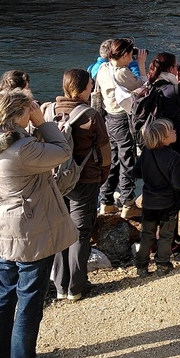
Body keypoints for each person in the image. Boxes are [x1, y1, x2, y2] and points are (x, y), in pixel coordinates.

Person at [0, 88, 77, 358]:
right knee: (29, 298)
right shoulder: (23, 149)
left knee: (4, 292)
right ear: (18, 115)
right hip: (29, 231)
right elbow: (62, 151)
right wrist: (42, 123)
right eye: (29, 109)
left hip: (0, 226)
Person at [43, 69, 111, 301]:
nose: (92, 87)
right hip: (85, 179)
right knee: (80, 233)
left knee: (59, 230)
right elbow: (105, 150)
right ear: (83, 90)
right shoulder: (91, 115)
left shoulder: (47, 111)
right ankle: (77, 287)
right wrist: (102, 176)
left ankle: (60, 285)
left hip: (54, 180)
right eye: (90, 84)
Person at [95, 38, 147, 215]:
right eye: (131, 54)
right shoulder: (122, 73)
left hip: (109, 119)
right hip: (123, 120)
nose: (132, 57)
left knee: (113, 160)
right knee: (127, 160)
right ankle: (128, 204)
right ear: (124, 55)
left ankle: (106, 202)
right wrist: (141, 64)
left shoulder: (103, 68)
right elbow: (143, 88)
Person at [133, 119, 180, 277]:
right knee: (166, 235)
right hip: (167, 203)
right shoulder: (173, 156)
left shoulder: (146, 153)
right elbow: (178, 184)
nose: (175, 131)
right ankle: (162, 264)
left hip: (149, 202)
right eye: (171, 130)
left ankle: (141, 265)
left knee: (147, 234)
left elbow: (135, 172)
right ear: (163, 137)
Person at [144, 52, 180, 171]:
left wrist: (178, 82)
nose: (178, 69)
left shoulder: (150, 85)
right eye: (176, 66)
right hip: (175, 139)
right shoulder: (174, 90)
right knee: (178, 173)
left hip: (156, 138)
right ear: (170, 69)